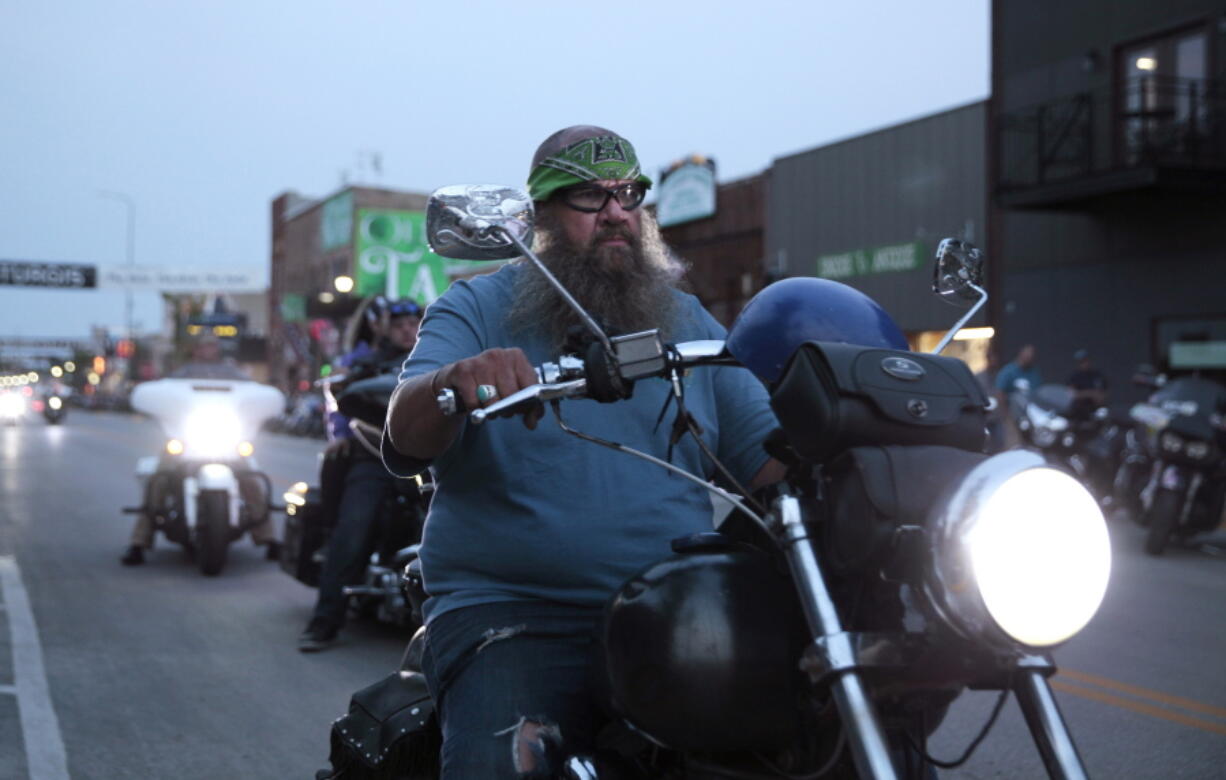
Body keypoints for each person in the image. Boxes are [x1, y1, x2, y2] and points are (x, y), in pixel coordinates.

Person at [382, 125, 785, 777]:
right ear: (540, 216)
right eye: (590, 199)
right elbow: (403, 428)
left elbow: (768, 459)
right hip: (515, 612)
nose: (617, 214)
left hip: (679, 610)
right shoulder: (477, 306)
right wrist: (454, 382)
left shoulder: (686, 320)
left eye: (630, 195)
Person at [298, 297, 423, 651]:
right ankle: (323, 622)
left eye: (413, 323)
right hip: (375, 458)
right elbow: (337, 396)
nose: (407, 330)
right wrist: (340, 434)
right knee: (351, 533)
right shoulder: (365, 365)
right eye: (399, 324)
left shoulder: (435, 362)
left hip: (430, 461)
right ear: (384, 327)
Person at [120, 334, 275, 565]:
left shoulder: (234, 375)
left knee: (251, 481)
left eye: (212, 345)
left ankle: (269, 540)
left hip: (227, 442)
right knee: (158, 481)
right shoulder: (180, 375)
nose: (208, 350)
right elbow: (160, 397)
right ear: (195, 350)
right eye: (203, 346)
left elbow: (255, 395)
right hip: (186, 442)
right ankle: (138, 543)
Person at [1066, 348, 1107, 420]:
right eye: (1081, 362)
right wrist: (1090, 393)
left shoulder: (1097, 375)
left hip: (1096, 407)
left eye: (1085, 360)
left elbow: (1104, 391)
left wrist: (1099, 397)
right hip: (1080, 408)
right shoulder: (1074, 376)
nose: (1084, 364)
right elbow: (1072, 394)